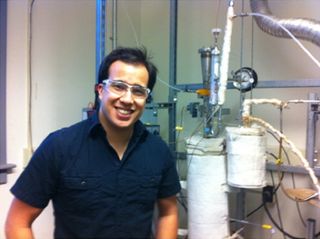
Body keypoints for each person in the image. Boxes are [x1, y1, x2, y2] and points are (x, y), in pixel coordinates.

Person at [5, 47, 181, 239]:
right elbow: (18, 222)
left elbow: (168, 213)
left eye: (138, 91)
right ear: (100, 90)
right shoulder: (59, 147)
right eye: (118, 86)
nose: (128, 99)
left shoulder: (158, 151)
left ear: (146, 98)